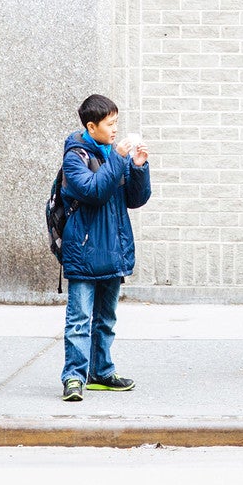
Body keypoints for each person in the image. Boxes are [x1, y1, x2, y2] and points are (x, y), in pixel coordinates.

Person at [56, 94, 152, 403]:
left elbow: (135, 200)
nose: (115, 130)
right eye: (110, 125)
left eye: (116, 123)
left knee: (106, 318)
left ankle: (102, 371)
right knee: (79, 319)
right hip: (83, 251)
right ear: (91, 126)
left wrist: (138, 167)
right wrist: (118, 159)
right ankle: (73, 376)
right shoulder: (75, 157)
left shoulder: (115, 154)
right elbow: (94, 191)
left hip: (112, 248)